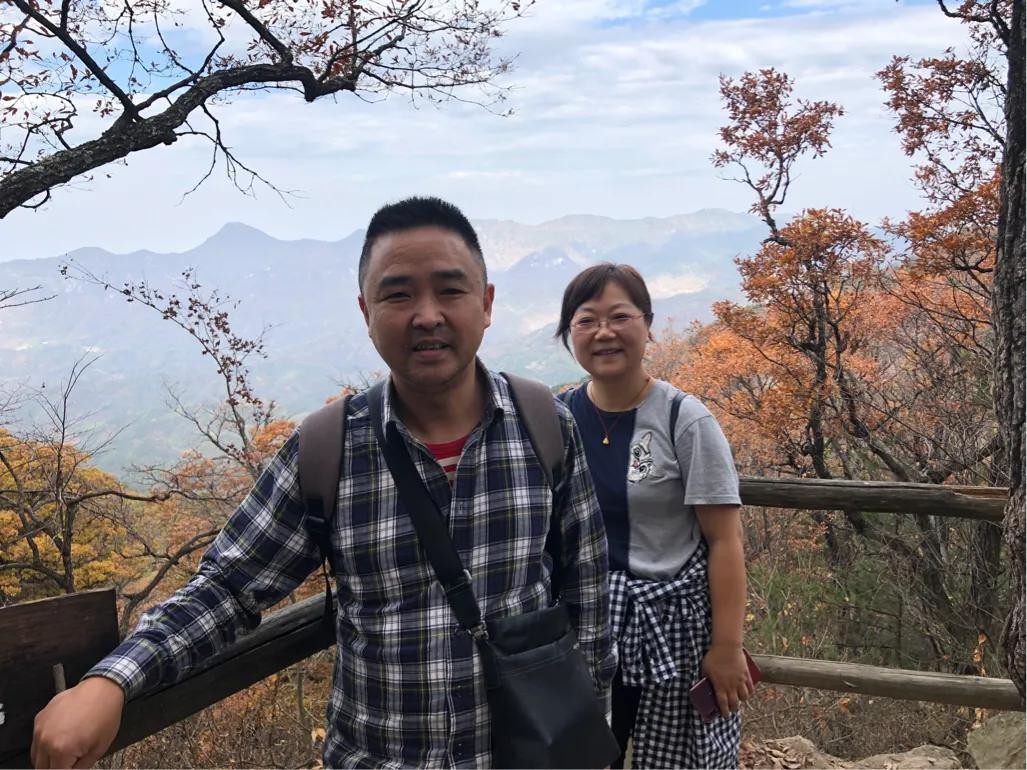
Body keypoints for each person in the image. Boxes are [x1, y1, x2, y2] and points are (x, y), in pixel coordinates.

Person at [31, 197, 616, 770]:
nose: (427, 314)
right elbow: (229, 589)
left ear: (485, 304)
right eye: (398, 294)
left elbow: (587, 596)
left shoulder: (545, 426)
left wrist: (586, 736)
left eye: (450, 290)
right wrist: (111, 682)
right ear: (366, 312)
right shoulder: (327, 450)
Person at [555, 262, 751, 769]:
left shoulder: (684, 419)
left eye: (620, 316)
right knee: (586, 755)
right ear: (569, 333)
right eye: (586, 320)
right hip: (584, 625)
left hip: (672, 627)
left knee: (673, 757)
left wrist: (727, 648)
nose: (604, 332)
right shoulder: (556, 418)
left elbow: (725, 540)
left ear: (647, 324)